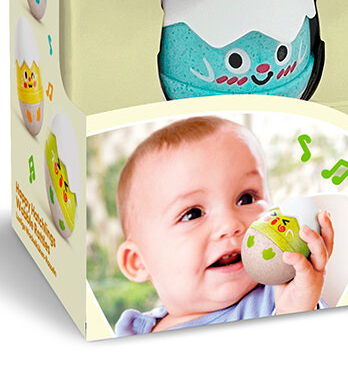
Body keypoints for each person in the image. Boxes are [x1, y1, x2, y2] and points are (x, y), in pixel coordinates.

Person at [114, 115, 333, 334]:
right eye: (192, 214)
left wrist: (295, 312)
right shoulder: (133, 331)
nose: (229, 225)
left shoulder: (280, 298)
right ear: (138, 262)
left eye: (246, 198)